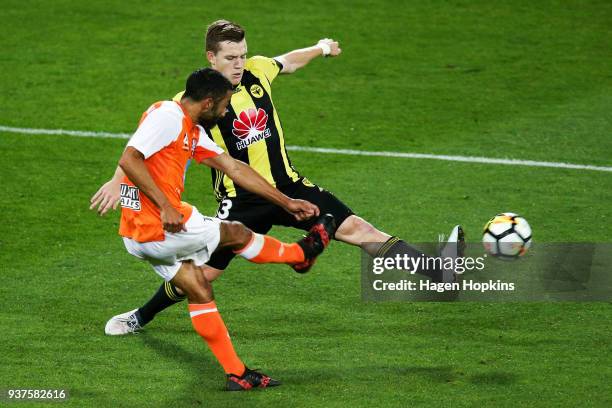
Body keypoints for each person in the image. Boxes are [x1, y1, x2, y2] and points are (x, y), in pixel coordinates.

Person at [92, 20, 463, 339]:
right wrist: (115, 179)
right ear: (211, 58)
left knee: (358, 229)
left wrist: (320, 48)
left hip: (288, 186)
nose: (238, 65)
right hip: (240, 201)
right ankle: (140, 316)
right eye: (229, 58)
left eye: (241, 56)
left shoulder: (256, 71)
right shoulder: (193, 101)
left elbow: (288, 62)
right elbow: (145, 145)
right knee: (201, 275)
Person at [104, 67, 335, 391]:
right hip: (160, 225)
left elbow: (233, 167)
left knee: (198, 286)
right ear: (209, 102)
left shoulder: (189, 129)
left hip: (138, 234)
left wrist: (285, 201)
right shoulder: (168, 116)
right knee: (237, 233)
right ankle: (301, 254)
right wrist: (166, 205)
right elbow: (130, 158)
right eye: (224, 105)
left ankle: (237, 374)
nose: (226, 112)